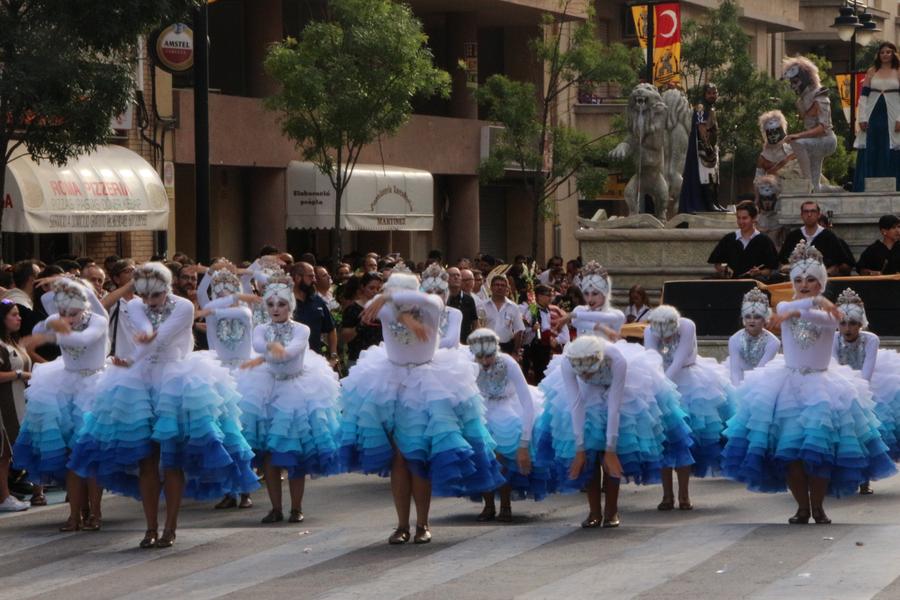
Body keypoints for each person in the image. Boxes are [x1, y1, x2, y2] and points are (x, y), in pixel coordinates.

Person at [68, 263, 258, 549]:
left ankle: (170, 527)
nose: (148, 301)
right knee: (145, 459)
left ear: (166, 289)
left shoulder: (183, 306)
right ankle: (150, 527)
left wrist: (139, 349)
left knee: (172, 460)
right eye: (144, 295)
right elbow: (144, 328)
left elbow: (163, 335)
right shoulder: (136, 306)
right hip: (140, 381)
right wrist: (131, 359)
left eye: (154, 296)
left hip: (178, 379)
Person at [724, 242, 896, 524]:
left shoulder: (831, 316)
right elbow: (787, 307)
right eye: (799, 280)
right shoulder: (784, 305)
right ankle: (802, 507)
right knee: (790, 453)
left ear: (821, 282)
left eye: (811, 280)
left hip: (823, 387)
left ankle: (818, 507)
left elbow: (827, 319)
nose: (804, 284)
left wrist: (811, 307)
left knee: (819, 453)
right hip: (787, 385)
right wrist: (811, 302)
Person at [338, 268, 503, 545]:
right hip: (391, 384)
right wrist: (389, 301)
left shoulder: (431, 306)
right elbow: (369, 307)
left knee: (418, 457)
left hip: (428, 384)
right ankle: (402, 525)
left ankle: (422, 524)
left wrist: (395, 301)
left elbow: (433, 301)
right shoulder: (387, 309)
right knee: (399, 459)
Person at [535, 334, 687, 528]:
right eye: (582, 374)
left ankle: (612, 510)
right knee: (589, 452)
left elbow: (614, 407)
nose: (586, 376)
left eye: (589, 372)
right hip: (586, 395)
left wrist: (610, 448)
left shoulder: (616, 360)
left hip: (621, 392)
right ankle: (594, 511)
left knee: (614, 455)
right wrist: (580, 448)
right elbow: (576, 404)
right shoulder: (568, 363)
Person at [237, 275, 341, 524]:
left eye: (281, 304)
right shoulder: (260, 328)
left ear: (290, 306)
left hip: (297, 390)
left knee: (296, 453)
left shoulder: (301, 328)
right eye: (271, 304)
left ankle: (296, 507)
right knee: (270, 454)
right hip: (266, 389)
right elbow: (260, 346)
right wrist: (274, 349)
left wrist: (278, 350)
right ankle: (275, 508)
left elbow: (293, 350)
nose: (275, 309)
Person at [13, 279, 108, 531]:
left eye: (73, 313)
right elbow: (44, 307)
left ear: (85, 307)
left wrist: (52, 330)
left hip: (93, 386)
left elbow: (83, 340)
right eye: (64, 312)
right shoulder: (58, 317)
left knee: (89, 453)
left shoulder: (98, 320)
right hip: (65, 386)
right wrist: (57, 285)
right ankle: (75, 513)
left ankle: (95, 512)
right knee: (70, 456)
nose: (68, 318)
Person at [644, 305, 735, 510]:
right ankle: (667, 495)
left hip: (690, 383)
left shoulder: (687, 326)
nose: (665, 340)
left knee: (685, 439)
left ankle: (684, 493)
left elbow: (679, 359)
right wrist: (658, 386)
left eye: (668, 335)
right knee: (665, 440)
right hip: (661, 380)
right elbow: (651, 359)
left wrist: (664, 385)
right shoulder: (649, 330)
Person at [195, 264, 260, 510]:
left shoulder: (244, 312)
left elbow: (215, 308)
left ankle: (245, 488)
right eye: (218, 290)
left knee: (242, 435)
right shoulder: (212, 309)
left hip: (245, 376)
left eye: (229, 289)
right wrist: (210, 272)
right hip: (219, 374)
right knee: (224, 435)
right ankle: (229, 489)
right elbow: (204, 296)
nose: (222, 294)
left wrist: (240, 283)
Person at [468, 329, 548, 522]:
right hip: (483, 407)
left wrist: (524, 442)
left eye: (489, 356)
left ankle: (505, 503)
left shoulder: (508, 363)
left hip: (509, 407)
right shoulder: (470, 364)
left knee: (502, 455)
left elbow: (527, 401)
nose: (485, 361)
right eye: (480, 357)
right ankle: (488, 503)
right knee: (482, 453)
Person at [832, 288, 900, 495]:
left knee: (869, 432)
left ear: (861, 324)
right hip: (840, 383)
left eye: (852, 323)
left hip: (869, 385)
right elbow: (833, 365)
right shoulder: (833, 339)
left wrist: (859, 391)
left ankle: (865, 479)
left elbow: (868, 369)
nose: (847, 328)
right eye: (843, 323)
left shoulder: (871, 339)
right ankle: (839, 475)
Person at [781, 56, 839, 193]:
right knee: (817, 186)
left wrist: (798, 136)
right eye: (791, 82)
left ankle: (807, 184)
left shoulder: (819, 95)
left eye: (795, 81)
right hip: (813, 142)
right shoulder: (801, 100)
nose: (793, 86)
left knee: (798, 143)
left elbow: (823, 128)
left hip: (827, 140)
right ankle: (836, 191)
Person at [854, 42, 900, 192]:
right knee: (871, 146)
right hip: (873, 113)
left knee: (891, 146)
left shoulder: (898, 71)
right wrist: (862, 118)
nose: (885, 55)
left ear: (894, 54)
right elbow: (864, 96)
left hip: (892, 114)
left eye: (888, 52)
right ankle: (866, 186)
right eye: (882, 52)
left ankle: (893, 186)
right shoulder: (872, 71)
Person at [0, 300, 32, 512]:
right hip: (4, 405)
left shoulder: (13, 342)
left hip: (20, 402)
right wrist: (19, 374)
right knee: (3, 453)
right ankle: (4, 497)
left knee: (8, 452)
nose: (18, 318)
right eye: (13, 314)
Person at [679, 83, 725, 213]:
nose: (712, 95)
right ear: (704, 94)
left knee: (714, 178)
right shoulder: (700, 108)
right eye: (709, 93)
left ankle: (715, 202)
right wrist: (707, 146)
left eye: (714, 93)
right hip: (703, 149)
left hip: (712, 148)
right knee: (706, 177)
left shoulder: (712, 108)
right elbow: (701, 128)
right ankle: (709, 204)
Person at [778, 201, 855, 276]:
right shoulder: (793, 236)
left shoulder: (829, 236)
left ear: (818, 215)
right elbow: (783, 261)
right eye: (806, 212)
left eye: (813, 211)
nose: (809, 214)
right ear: (801, 215)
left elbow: (843, 263)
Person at [708, 200, 779, 280]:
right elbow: (717, 264)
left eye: (744, 218)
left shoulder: (765, 241)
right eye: (738, 218)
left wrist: (759, 272)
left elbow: (770, 269)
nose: (741, 222)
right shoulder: (729, 239)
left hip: (754, 286)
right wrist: (725, 270)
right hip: (731, 285)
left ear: (754, 218)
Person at [725, 288, 780, 386]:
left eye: (757, 317)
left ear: (765, 319)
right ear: (743, 318)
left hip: (763, 380)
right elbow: (735, 371)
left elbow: (760, 371)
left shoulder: (773, 342)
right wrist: (738, 391)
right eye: (748, 316)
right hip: (739, 377)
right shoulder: (734, 339)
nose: (752, 321)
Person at [290, 262, 338, 365]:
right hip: (292, 363)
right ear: (298, 277)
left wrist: (333, 355)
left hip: (316, 362)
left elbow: (331, 328)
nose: (315, 280)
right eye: (311, 276)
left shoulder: (317, 300)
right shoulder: (284, 302)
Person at [340, 272, 383, 367]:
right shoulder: (352, 308)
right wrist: (361, 325)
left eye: (378, 289)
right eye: (371, 288)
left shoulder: (383, 308)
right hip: (358, 359)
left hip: (380, 359)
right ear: (363, 287)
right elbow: (345, 336)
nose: (375, 291)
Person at [420, 264, 463, 350]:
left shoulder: (454, 314)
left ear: (446, 294)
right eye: (429, 292)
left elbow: (450, 342)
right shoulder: (415, 313)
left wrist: (421, 346)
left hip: (447, 360)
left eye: (439, 292)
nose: (434, 296)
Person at [482, 274, 525, 356]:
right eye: (497, 285)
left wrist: (515, 351)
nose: (500, 287)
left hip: (506, 347)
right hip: (486, 347)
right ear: (491, 287)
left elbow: (519, 330)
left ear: (507, 288)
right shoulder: (483, 306)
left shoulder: (513, 307)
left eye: (503, 285)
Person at [446, 266, 477, 344]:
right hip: (445, 342)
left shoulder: (469, 300)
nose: (456, 277)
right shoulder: (442, 299)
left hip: (465, 343)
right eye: (452, 275)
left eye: (458, 275)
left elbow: (475, 323)